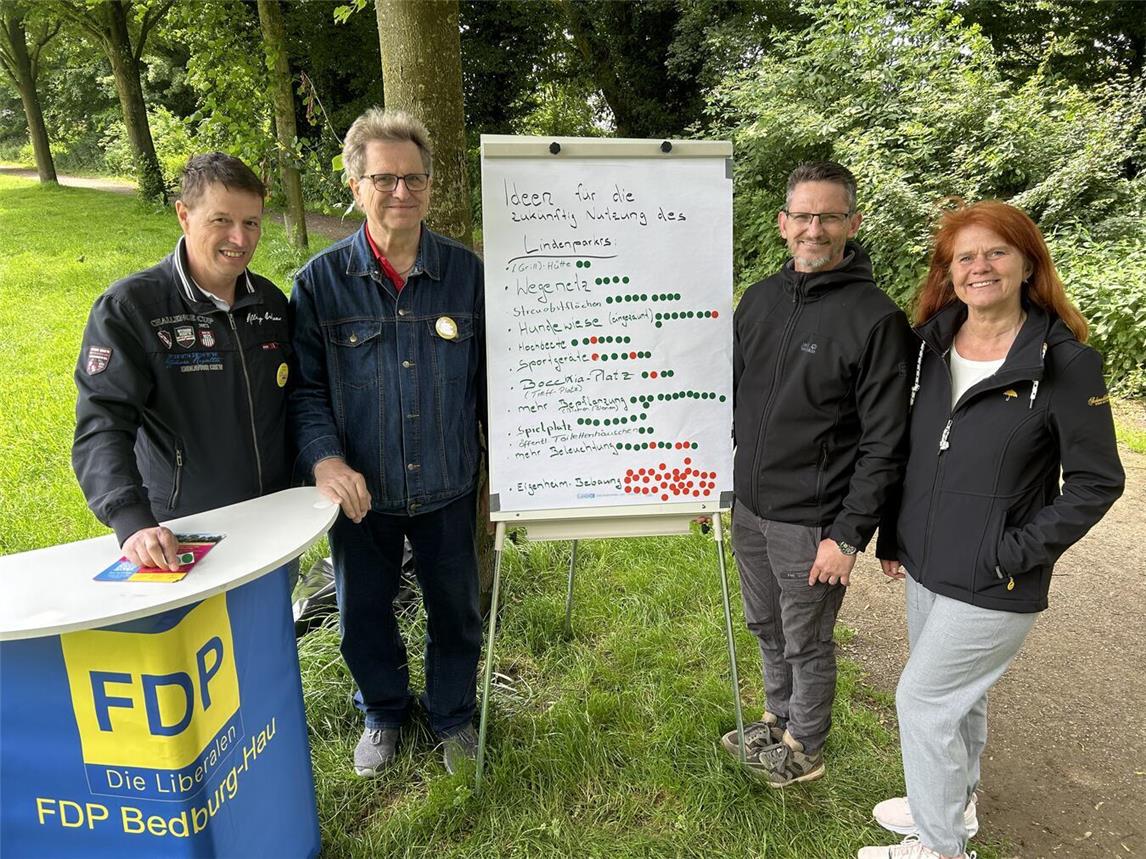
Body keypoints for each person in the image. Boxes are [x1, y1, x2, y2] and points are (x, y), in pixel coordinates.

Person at [861, 201, 1125, 859]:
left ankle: (941, 846)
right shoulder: (930, 347)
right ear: (949, 273)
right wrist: (894, 533)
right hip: (927, 560)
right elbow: (914, 451)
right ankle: (953, 803)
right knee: (959, 698)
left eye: (996, 252)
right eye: (965, 257)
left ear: (1027, 263)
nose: (979, 267)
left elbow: (1097, 481)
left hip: (995, 574)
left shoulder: (1065, 363)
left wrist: (1014, 551)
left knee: (923, 702)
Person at [289, 108, 486, 777]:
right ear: (355, 185)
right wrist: (325, 460)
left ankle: (454, 714)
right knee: (362, 613)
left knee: (456, 610)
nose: (401, 191)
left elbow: (492, 381)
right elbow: (305, 391)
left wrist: (508, 471)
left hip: (449, 481)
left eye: (414, 178)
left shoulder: (466, 275)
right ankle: (382, 708)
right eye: (384, 179)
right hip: (361, 493)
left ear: (430, 184)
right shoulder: (319, 284)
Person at [726, 162, 914, 786]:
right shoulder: (758, 300)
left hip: (812, 521)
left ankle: (805, 746)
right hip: (750, 507)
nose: (814, 229)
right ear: (783, 223)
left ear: (852, 224)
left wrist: (848, 535)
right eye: (803, 216)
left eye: (829, 217)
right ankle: (776, 719)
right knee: (765, 624)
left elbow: (885, 442)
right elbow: (736, 399)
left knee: (805, 639)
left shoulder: (876, 319)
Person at [73, 152, 291, 571]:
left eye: (251, 223)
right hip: (183, 533)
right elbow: (103, 423)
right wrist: (132, 521)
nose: (240, 239)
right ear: (184, 216)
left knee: (269, 616)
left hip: (275, 522)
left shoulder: (272, 303)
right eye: (221, 220)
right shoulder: (130, 308)